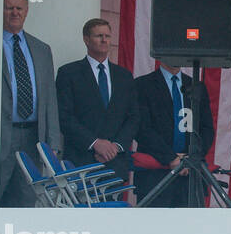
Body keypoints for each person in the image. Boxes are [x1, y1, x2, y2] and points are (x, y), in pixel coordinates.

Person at [0, 0, 63, 208]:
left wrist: (54, 142)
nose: (14, 13)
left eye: (19, 8)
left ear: (26, 12)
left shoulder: (41, 49)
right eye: (9, 8)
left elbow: (50, 101)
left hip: (32, 137)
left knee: (25, 203)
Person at [55, 19, 138, 184]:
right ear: (86, 39)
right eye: (99, 36)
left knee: (113, 210)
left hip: (115, 161)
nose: (104, 40)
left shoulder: (124, 76)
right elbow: (64, 116)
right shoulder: (69, 73)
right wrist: (95, 143)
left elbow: (134, 117)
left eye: (107, 36)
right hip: (81, 160)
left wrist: (115, 146)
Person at [133, 63, 215, 207]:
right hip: (155, 178)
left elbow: (206, 128)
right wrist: (171, 158)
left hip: (190, 177)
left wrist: (192, 159)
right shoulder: (142, 85)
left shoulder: (196, 86)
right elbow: (141, 129)